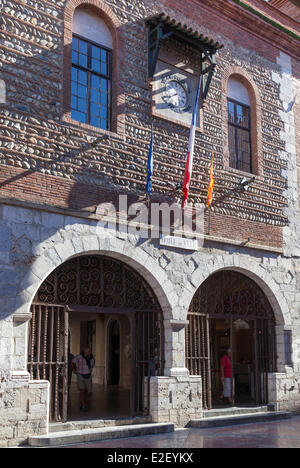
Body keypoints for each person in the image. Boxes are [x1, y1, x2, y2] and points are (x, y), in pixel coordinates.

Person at [72, 347, 95, 412]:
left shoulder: (92, 358)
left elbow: (92, 366)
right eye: (85, 352)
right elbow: (73, 361)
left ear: (90, 352)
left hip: (88, 375)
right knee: (82, 390)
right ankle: (83, 404)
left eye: (88, 352)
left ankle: (85, 402)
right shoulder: (79, 357)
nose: (86, 353)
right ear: (84, 351)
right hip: (80, 374)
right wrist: (74, 369)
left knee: (88, 391)